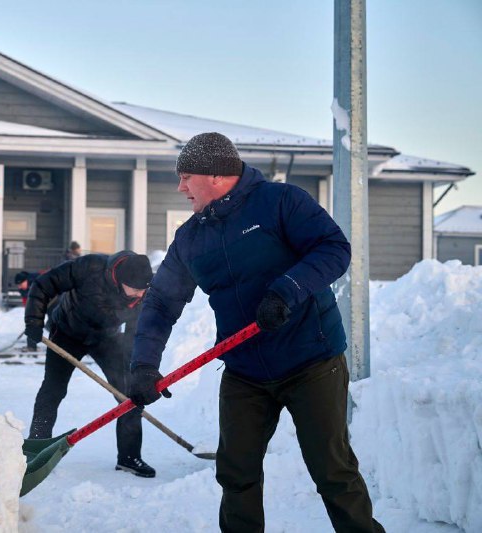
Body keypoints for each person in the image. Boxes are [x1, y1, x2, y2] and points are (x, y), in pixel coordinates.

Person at [128, 132, 384, 532]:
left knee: (333, 471)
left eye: (185, 177)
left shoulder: (280, 202)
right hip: (245, 371)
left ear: (214, 175)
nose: (180, 188)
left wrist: (288, 289)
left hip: (310, 359)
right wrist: (144, 366)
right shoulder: (191, 238)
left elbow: (333, 248)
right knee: (236, 474)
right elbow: (161, 303)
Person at [23, 250, 156, 477]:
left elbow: (136, 334)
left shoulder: (143, 294)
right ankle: (37, 449)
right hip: (66, 332)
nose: (140, 294)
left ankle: (129, 457)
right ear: (119, 279)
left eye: (144, 289)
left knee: (130, 394)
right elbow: (44, 284)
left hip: (106, 339)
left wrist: (136, 367)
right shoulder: (89, 267)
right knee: (53, 390)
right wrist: (34, 320)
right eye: (135, 289)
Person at [14, 270, 40, 350]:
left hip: (54, 301)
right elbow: (26, 301)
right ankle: (31, 346)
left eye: (20, 284)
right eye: (18, 285)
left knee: (52, 324)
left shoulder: (37, 281)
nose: (19, 287)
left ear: (26, 281)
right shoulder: (23, 289)